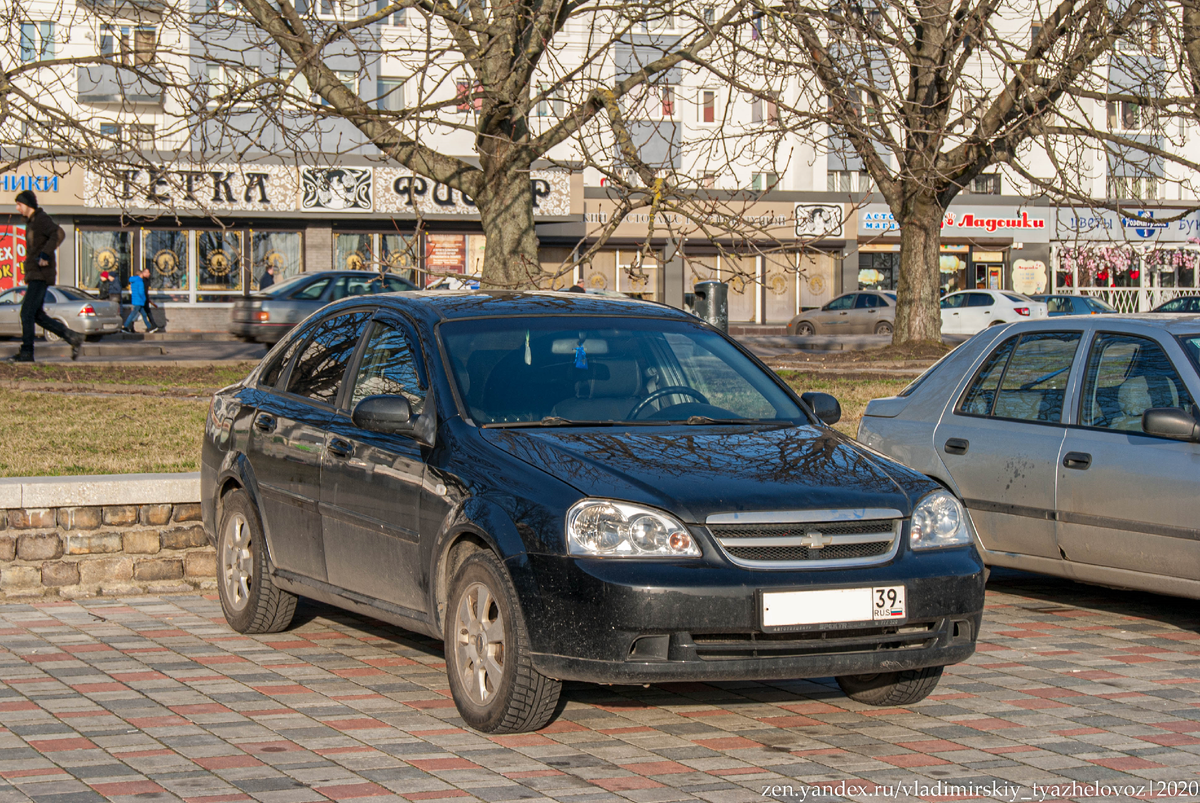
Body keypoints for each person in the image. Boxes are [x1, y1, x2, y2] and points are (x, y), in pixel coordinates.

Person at [11, 190, 82, 362]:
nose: (17, 208)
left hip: (41, 275)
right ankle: (72, 336)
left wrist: (45, 254)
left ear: (27, 205)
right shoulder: (32, 222)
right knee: (37, 315)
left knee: (26, 313)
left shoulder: (41, 219)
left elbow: (59, 233)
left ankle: (27, 351)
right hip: (35, 274)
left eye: (19, 204)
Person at [122, 267, 161, 334]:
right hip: (139, 301)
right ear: (141, 275)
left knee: (144, 315)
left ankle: (150, 328)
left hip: (135, 300)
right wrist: (144, 299)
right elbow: (141, 292)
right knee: (133, 314)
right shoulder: (140, 282)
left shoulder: (133, 281)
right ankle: (125, 327)